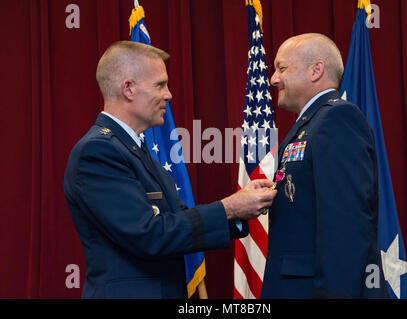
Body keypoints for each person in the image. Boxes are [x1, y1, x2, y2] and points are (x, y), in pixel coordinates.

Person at [63, 41, 276, 299]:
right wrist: (230, 207)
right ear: (128, 88)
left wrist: (242, 207)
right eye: (160, 85)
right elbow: (149, 234)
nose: (169, 95)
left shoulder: (134, 148)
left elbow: (176, 218)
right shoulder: (98, 152)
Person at [260, 33, 389, 298]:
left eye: (282, 68)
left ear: (316, 70)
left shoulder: (337, 118)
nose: (273, 79)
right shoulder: (310, 123)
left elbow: (346, 226)